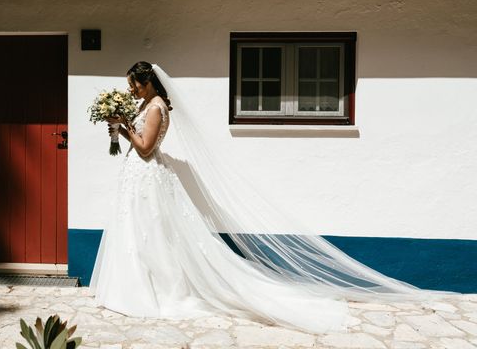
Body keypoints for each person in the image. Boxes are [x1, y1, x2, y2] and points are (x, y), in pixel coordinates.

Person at [89, 61, 446, 333]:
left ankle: (155, 292)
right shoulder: (145, 107)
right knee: (141, 236)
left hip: (148, 176)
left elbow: (148, 148)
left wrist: (124, 125)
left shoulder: (155, 108)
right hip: (139, 179)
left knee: (154, 237)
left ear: (147, 82)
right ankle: (132, 287)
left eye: (134, 85)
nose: (132, 91)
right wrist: (118, 129)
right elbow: (134, 146)